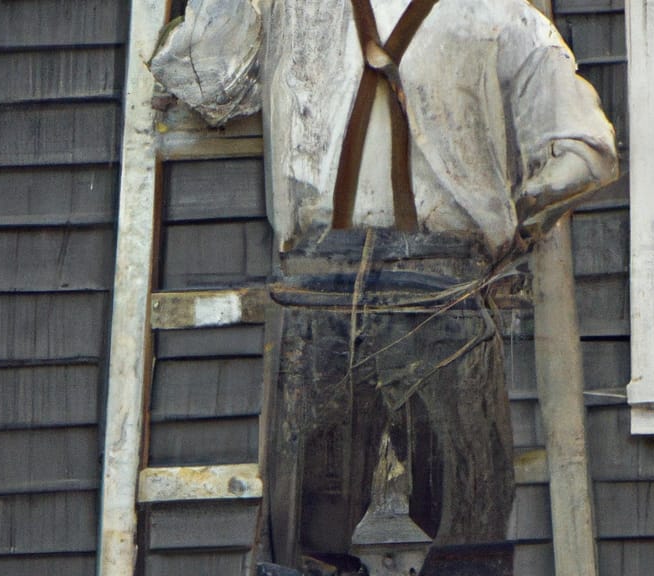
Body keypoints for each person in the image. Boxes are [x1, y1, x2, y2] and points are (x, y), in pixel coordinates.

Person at [151, 0, 617, 572]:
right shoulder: (503, 16)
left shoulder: (292, 9)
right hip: (431, 288)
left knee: (311, 539)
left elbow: (202, 76)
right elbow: (587, 155)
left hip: (345, 289)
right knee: (467, 523)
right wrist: (510, 224)